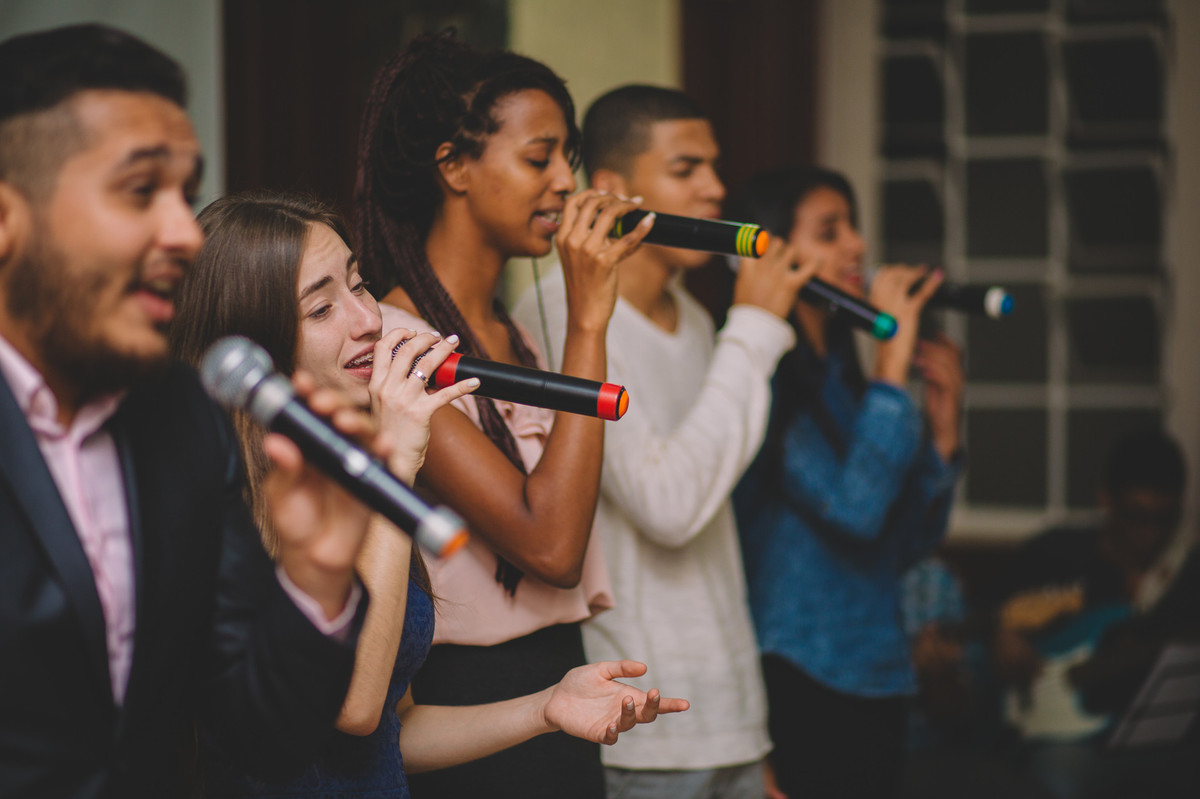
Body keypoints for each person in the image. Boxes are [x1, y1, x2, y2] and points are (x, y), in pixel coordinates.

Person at [170, 191, 688, 798]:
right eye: (320, 310)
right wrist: (395, 466)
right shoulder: (217, 503)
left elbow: (389, 730)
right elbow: (353, 706)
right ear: (249, 346)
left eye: (358, 284)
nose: (368, 319)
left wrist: (548, 706)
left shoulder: (349, 476)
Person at [0, 24, 380, 798]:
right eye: (141, 191)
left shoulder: (178, 417)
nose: (182, 231)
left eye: (183, 191)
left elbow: (261, 736)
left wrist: (314, 577)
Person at [354, 31, 656, 798]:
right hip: (469, 697)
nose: (565, 182)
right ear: (453, 165)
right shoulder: (400, 345)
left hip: (560, 675)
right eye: (539, 157)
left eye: (568, 159)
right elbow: (550, 545)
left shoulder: (509, 331)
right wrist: (589, 321)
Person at [513, 84, 814, 799]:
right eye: (686, 169)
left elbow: (709, 520)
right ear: (614, 189)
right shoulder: (556, 311)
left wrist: (749, 732)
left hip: (730, 713)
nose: (715, 188)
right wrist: (757, 328)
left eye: (713, 167)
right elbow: (669, 504)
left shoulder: (698, 319)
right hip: (644, 727)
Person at [729, 165, 966, 799]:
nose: (857, 247)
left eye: (853, 229)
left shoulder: (842, 376)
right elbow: (854, 509)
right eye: (830, 231)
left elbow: (904, 545)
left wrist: (943, 439)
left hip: (878, 671)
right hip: (803, 670)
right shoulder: (766, 377)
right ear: (775, 248)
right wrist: (893, 375)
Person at [990, 427, 1200, 799]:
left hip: (1160, 745)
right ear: (1107, 499)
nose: (1151, 534)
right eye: (1138, 516)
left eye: (1165, 519)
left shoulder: (1188, 575)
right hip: (1061, 737)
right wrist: (1003, 634)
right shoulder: (1056, 552)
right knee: (1067, 779)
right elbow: (991, 609)